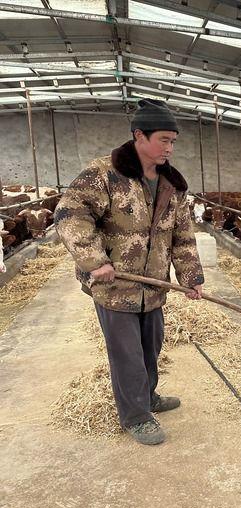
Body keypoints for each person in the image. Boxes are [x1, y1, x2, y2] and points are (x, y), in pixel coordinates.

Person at [55, 99, 204, 445]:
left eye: (173, 141)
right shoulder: (104, 174)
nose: (169, 148)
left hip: (153, 286)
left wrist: (191, 278)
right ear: (139, 135)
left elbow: (182, 235)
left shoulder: (171, 184)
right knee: (128, 354)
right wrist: (95, 261)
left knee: (151, 347)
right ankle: (136, 416)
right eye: (163, 140)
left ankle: (146, 396)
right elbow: (70, 215)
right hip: (115, 286)